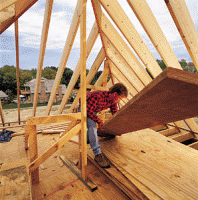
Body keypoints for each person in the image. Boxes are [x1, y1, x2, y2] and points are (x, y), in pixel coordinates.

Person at [79, 83, 128, 168]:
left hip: (92, 109)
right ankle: (97, 154)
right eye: (120, 98)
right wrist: (99, 121)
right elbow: (89, 112)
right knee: (93, 127)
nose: (119, 100)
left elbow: (114, 113)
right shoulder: (98, 96)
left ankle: (88, 139)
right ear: (115, 94)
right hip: (84, 108)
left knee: (93, 125)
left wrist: (118, 128)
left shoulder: (113, 100)